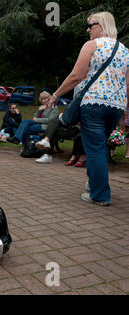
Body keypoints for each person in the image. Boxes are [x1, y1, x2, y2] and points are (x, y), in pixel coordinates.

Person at [47, 11, 128, 206]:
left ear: (101, 26)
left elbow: (77, 75)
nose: (88, 29)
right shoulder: (125, 50)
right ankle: (94, 184)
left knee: (95, 149)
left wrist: (56, 94)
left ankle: (100, 195)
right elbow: (127, 84)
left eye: (91, 25)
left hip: (93, 104)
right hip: (116, 106)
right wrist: (125, 111)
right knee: (98, 147)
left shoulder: (92, 45)